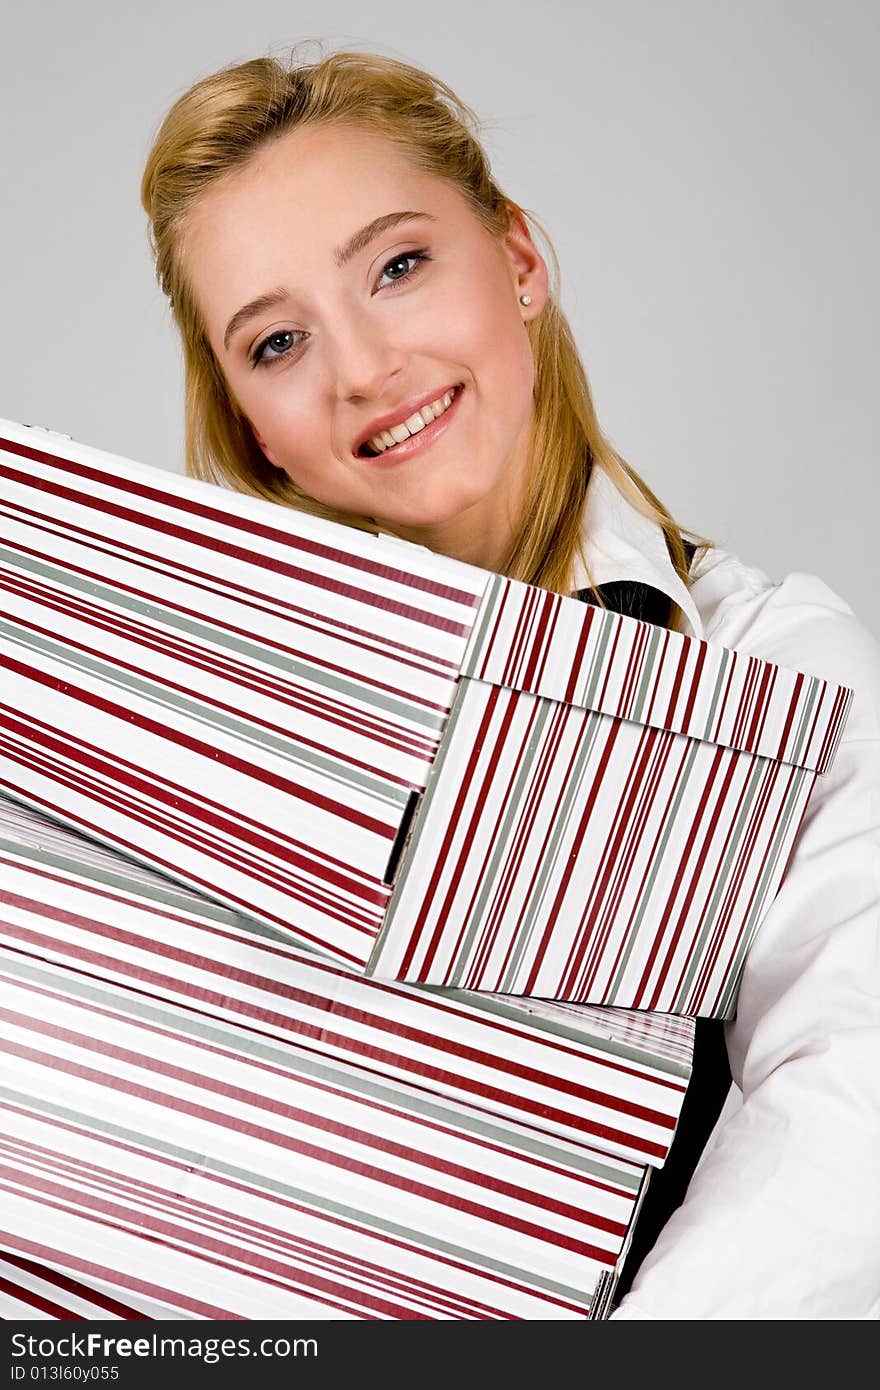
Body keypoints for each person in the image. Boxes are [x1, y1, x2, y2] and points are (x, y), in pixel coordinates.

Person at [140, 48, 880, 1319]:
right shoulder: (186, 740)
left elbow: (852, 1110)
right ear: (255, 423)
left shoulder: (773, 669)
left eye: (397, 265)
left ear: (520, 263)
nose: (363, 366)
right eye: (276, 340)